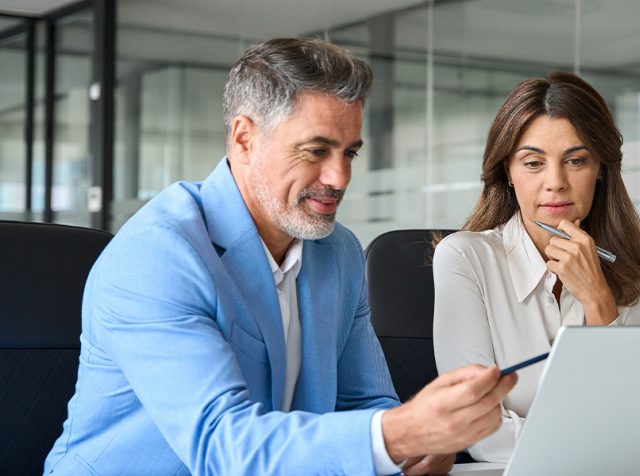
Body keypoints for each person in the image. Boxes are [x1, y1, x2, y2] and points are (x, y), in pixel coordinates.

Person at [44, 38, 516, 476]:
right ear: (244, 138)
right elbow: (219, 444)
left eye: (350, 152)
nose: (340, 177)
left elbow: (365, 403)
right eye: (316, 150)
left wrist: (414, 451)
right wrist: (398, 435)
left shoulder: (339, 253)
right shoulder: (158, 255)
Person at [432, 71, 640, 462]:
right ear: (507, 171)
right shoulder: (464, 259)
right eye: (533, 162)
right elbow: (480, 429)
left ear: (601, 170)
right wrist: (595, 448)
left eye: (575, 161)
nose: (555, 182)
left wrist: (598, 300)